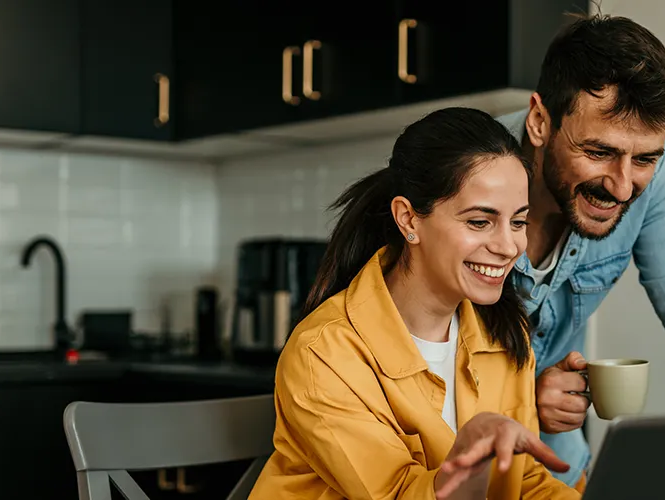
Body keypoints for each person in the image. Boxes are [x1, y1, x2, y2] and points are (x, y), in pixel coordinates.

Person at [249, 107, 580, 500]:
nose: (509, 247)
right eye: (479, 221)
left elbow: (524, 484)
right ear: (409, 219)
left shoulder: (505, 334)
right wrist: (469, 457)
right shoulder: (323, 354)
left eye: (518, 222)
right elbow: (397, 495)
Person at [494, 14, 665, 487]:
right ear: (541, 121)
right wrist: (517, 399)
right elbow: (407, 371)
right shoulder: (464, 177)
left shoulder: (659, 172)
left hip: (558, 465)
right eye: (598, 152)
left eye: (643, 159)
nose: (622, 187)